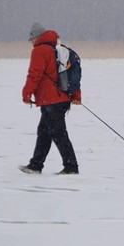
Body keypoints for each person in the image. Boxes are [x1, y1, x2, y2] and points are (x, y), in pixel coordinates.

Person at [19, 22, 82, 175]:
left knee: (58, 133)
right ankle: (36, 165)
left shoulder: (40, 51)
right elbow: (71, 73)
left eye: (31, 39)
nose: (31, 42)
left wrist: (27, 93)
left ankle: (71, 167)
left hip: (51, 100)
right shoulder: (58, 49)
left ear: (37, 37)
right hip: (60, 98)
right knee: (45, 132)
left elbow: (34, 74)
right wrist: (75, 95)